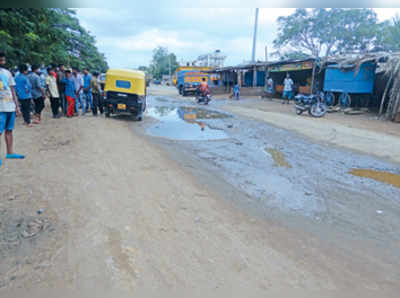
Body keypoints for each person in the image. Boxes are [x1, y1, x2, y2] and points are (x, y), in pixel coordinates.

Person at [0, 52, 24, 167]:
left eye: (3, 60)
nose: (3, 62)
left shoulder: (7, 73)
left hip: (10, 106)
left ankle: (10, 152)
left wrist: (17, 106)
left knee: (9, 130)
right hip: (0, 108)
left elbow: (12, 90)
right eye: (1, 60)